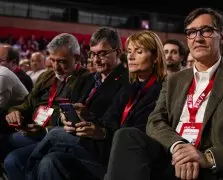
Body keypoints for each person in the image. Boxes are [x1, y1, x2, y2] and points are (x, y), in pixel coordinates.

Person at [104, 8, 223, 180]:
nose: (198, 38)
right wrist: (178, 146)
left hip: (211, 167)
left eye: (206, 30)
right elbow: (155, 121)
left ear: (222, 35)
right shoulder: (174, 80)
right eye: (191, 32)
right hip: (172, 157)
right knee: (126, 136)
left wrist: (207, 158)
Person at [26, 30, 167, 180]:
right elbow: (109, 119)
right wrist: (87, 117)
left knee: (55, 135)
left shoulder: (162, 90)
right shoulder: (131, 87)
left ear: (156, 57)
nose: (131, 57)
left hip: (126, 155)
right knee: (51, 160)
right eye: (130, 51)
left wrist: (102, 132)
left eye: (138, 52)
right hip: (105, 145)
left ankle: (28, 173)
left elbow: (138, 133)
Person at [1, 33, 88, 180]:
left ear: (77, 58)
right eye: (52, 60)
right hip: (33, 131)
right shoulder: (47, 76)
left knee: (13, 160)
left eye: (62, 62)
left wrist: (44, 126)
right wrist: (15, 112)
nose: (56, 67)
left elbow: (72, 117)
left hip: (53, 136)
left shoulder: (85, 80)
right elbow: (28, 103)